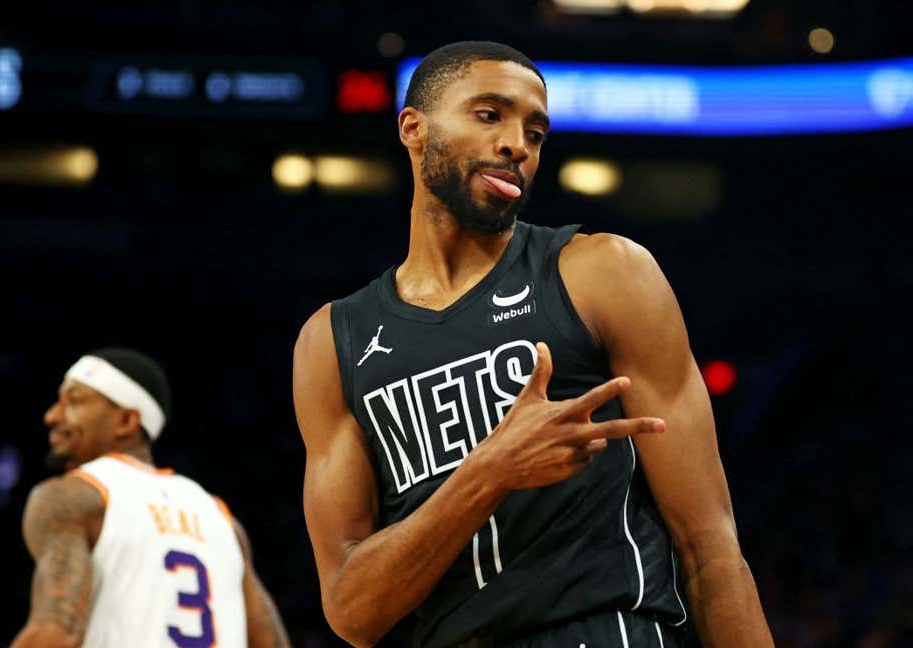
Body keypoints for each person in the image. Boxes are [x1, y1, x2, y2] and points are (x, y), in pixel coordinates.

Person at [292, 41, 773, 647]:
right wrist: (489, 471)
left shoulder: (601, 272)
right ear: (414, 129)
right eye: (490, 115)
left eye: (536, 132)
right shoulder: (332, 341)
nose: (518, 145)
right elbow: (353, 613)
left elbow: (710, 547)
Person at [12, 348, 290, 648]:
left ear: (127, 422)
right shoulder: (222, 518)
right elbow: (272, 643)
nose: (52, 415)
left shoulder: (72, 495)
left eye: (74, 401)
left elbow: (58, 632)